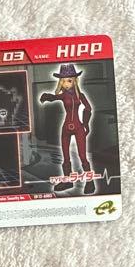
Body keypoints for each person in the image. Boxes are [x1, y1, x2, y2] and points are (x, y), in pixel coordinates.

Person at [39, 64, 94, 194]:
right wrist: (47, 96)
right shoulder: (63, 95)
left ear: (75, 80)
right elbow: (54, 97)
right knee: (66, 156)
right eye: (63, 81)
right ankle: (68, 181)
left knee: (82, 156)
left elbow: (88, 108)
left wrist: (86, 123)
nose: (66, 84)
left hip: (78, 127)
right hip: (66, 128)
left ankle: (90, 182)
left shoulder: (80, 95)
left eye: (69, 80)